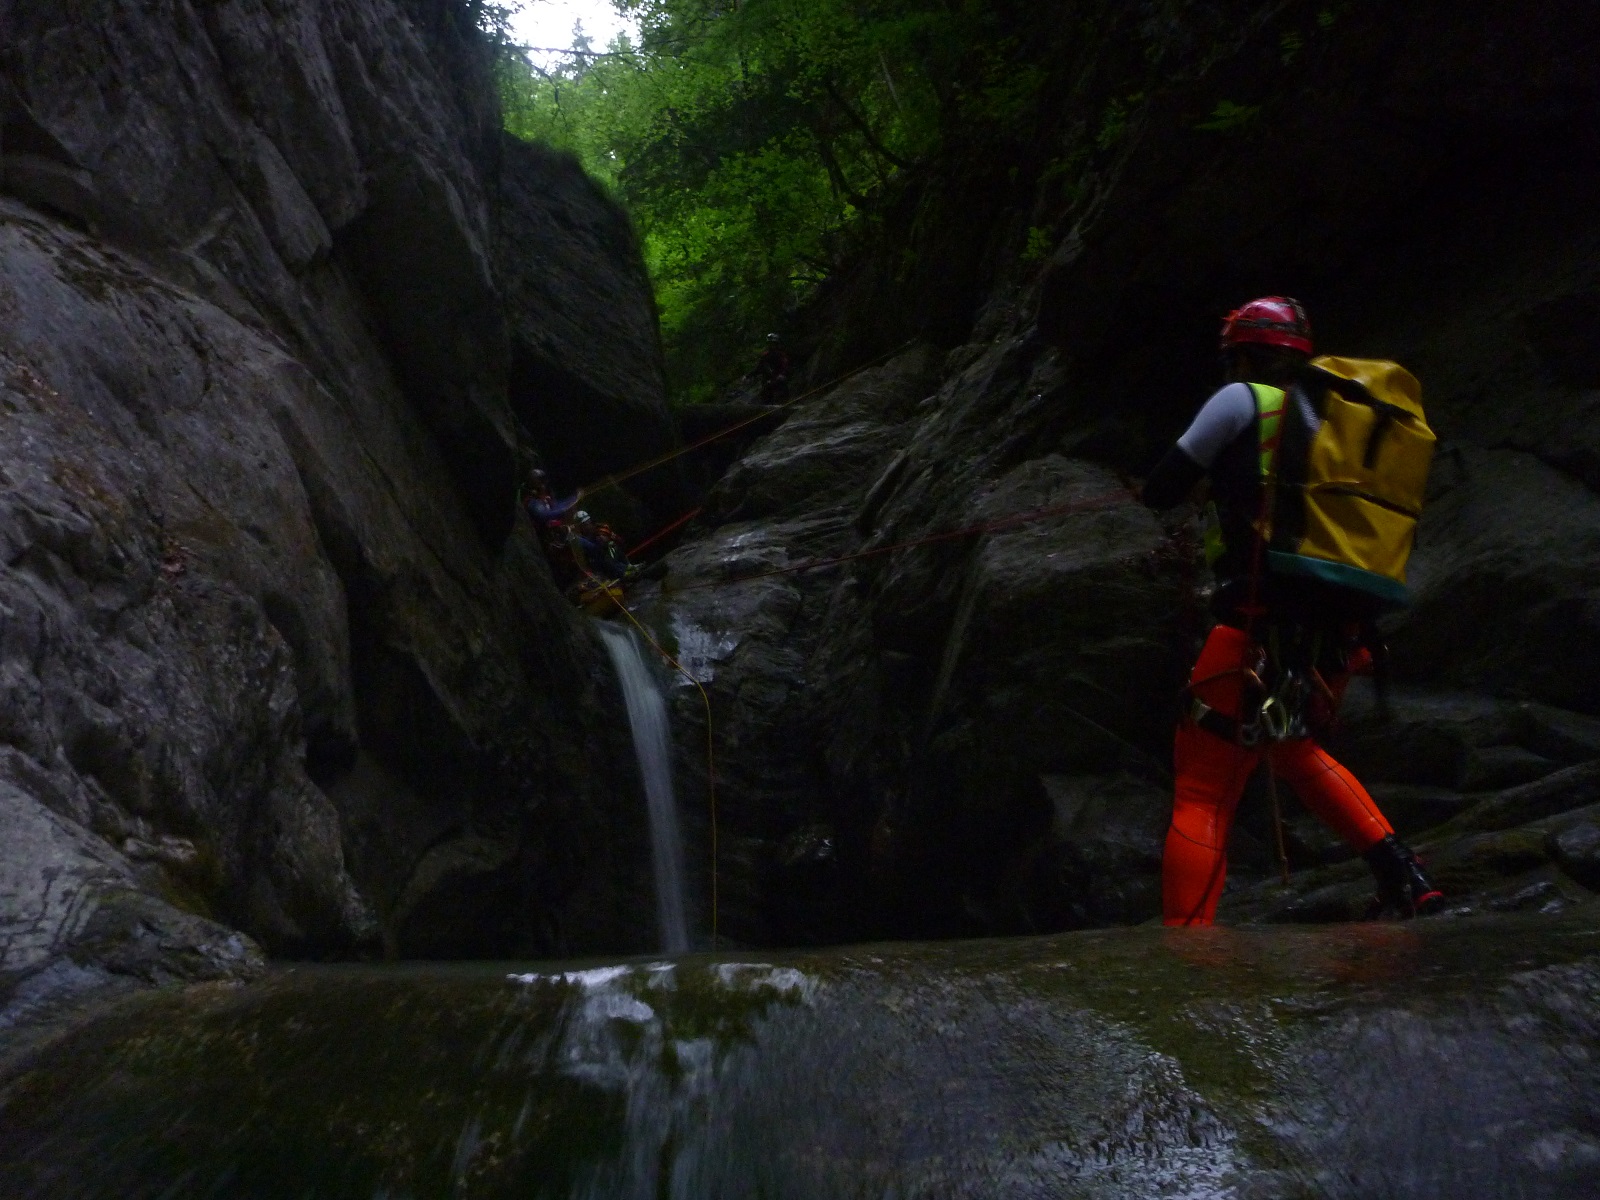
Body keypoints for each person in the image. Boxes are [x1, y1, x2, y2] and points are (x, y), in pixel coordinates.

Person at [1140, 296, 1443, 926]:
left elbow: (1161, 488)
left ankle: (1184, 947)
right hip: (1334, 637)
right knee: (1294, 750)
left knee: (1202, 789)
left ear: (1242, 355)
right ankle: (1406, 878)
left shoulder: (1241, 401)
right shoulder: (1332, 421)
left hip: (1253, 628)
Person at [755, 333, 791, 405]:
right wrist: (748, 376)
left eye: (773, 344)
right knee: (765, 396)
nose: (771, 346)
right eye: (770, 344)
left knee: (782, 391)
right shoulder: (765, 355)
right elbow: (759, 368)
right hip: (767, 381)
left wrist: (782, 374)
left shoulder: (781, 355)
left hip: (778, 379)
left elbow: (786, 366)